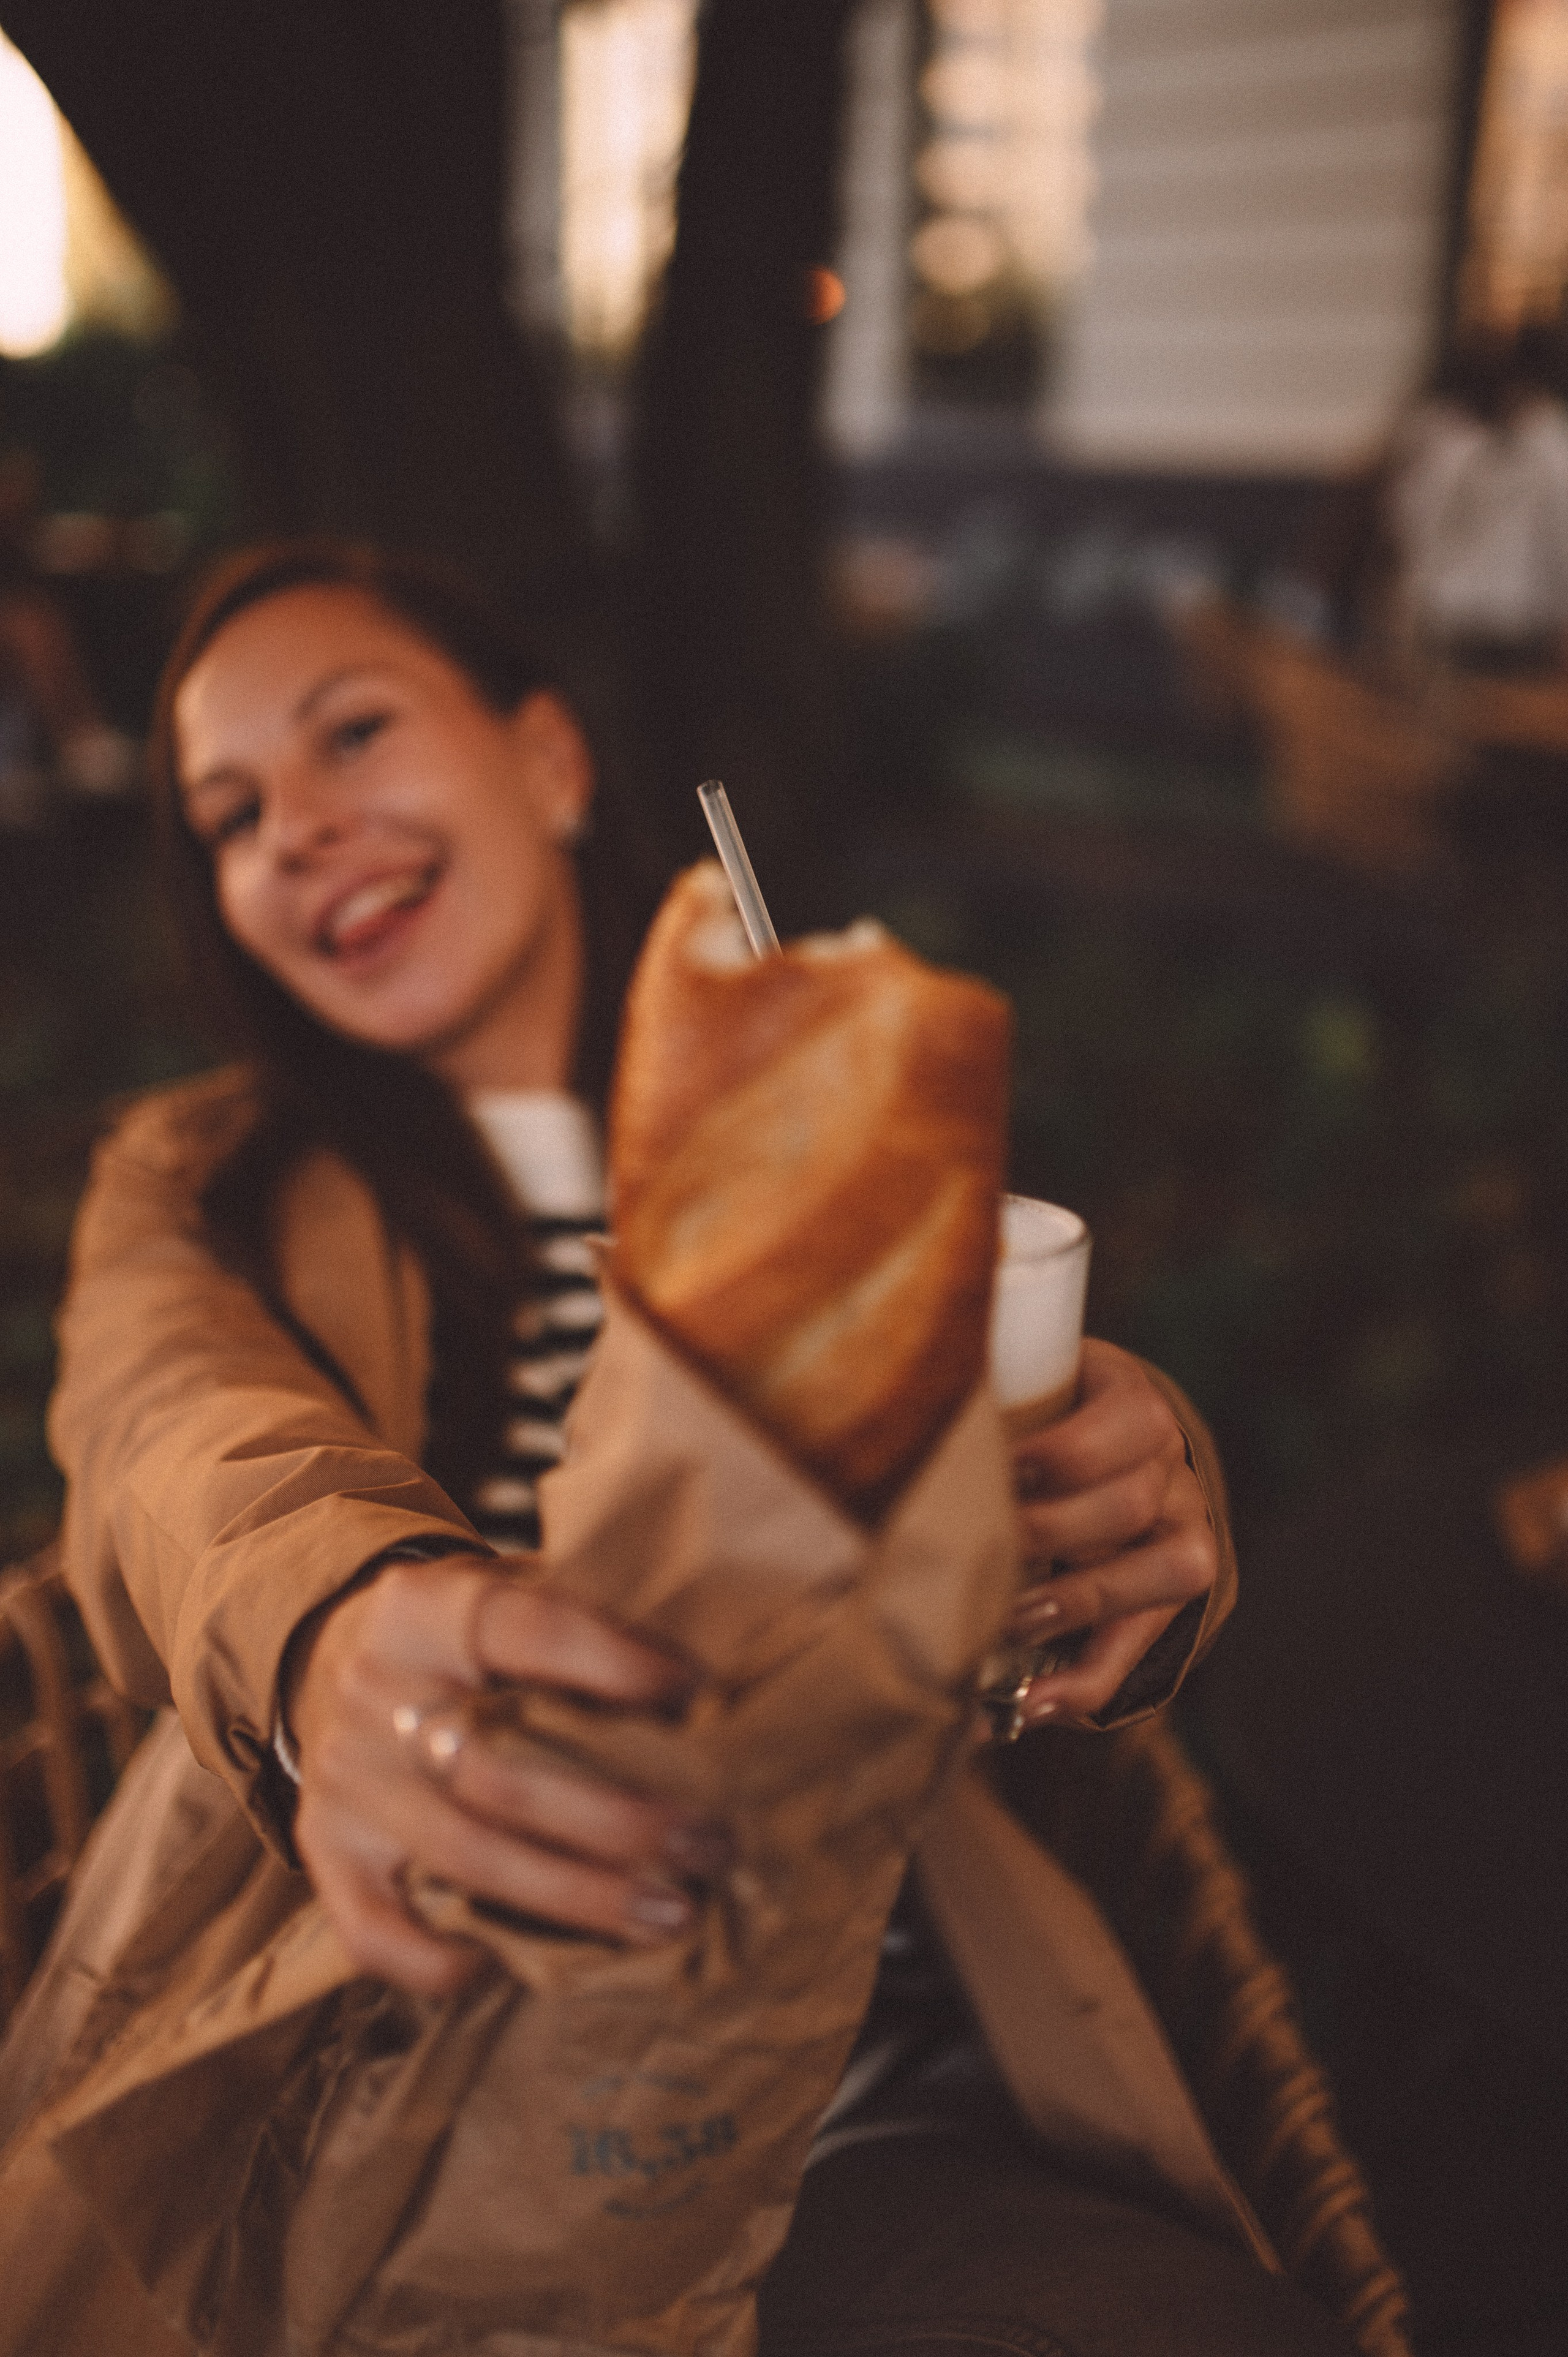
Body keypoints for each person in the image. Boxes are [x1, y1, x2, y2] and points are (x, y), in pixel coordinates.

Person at [0, 540, 1354, 2355]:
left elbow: (990, 1436)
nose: (300, 828)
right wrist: (333, 1625)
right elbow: (167, 1431)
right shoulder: (200, 1182)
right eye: (230, 813)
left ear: (550, 763)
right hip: (422, 2089)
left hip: (872, 2086)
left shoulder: (810, 1106)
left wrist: (1143, 1471)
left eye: (351, 737)